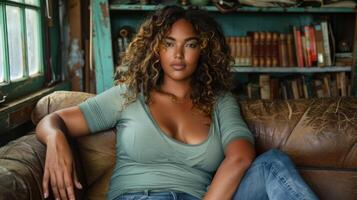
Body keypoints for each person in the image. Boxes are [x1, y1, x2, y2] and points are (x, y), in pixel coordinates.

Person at [36, 5, 319, 200]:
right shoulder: (130, 95)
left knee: (273, 163)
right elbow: (51, 119)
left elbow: (242, 156)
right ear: (155, 48)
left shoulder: (220, 102)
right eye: (169, 43)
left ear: (204, 51)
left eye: (191, 44)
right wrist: (56, 139)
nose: (179, 54)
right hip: (140, 196)